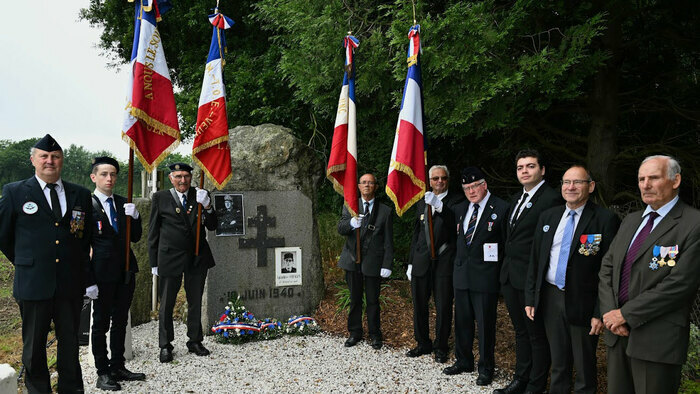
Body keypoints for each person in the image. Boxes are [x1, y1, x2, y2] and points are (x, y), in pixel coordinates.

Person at [599, 155, 700, 394]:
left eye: (653, 178)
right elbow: (607, 269)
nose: (645, 184)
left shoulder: (693, 224)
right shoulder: (631, 221)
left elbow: (680, 285)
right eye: (641, 179)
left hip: (657, 339)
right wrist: (609, 314)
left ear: (675, 181)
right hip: (618, 335)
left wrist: (626, 314)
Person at [0, 134, 92, 393]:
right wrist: (25, 261)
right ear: (33, 160)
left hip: (68, 284)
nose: (50, 161)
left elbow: (83, 238)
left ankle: (71, 389)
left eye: (55, 157)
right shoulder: (15, 192)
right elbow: (3, 235)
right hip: (33, 283)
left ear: (61, 161)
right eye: (44, 156)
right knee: (34, 347)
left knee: (70, 343)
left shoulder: (80, 194)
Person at [524, 165, 620, 394]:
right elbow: (536, 260)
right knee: (558, 363)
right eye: (566, 182)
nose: (571, 187)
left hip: (585, 303)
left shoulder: (605, 220)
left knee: (585, 366)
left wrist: (600, 311)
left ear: (591, 186)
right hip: (551, 298)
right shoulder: (549, 216)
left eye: (577, 182)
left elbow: (611, 270)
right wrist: (531, 297)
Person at [496, 148, 563, 394]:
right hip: (511, 277)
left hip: (533, 280)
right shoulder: (516, 198)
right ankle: (520, 379)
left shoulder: (551, 199)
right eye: (520, 167)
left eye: (530, 166)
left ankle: (536, 385)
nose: (524, 171)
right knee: (521, 332)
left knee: (536, 335)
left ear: (542, 170)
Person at [443, 167, 508, 388]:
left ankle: (486, 367)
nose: (470, 191)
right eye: (466, 188)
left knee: (485, 325)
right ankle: (463, 361)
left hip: (486, 278)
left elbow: (506, 245)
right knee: (462, 322)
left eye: (474, 186)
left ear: (484, 185)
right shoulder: (460, 208)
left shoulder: (501, 208)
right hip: (462, 275)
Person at [148, 163, 218, 363]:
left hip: (197, 256)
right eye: (178, 176)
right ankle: (165, 345)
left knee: (195, 300)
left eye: (186, 176)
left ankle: (195, 340)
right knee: (167, 303)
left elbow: (213, 226)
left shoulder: (200, 193)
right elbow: (153, 232)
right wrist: (154, 261)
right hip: (170, 257)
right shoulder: (160, 198)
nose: (183, 180)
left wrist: (208, 206)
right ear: (171, 178)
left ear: (191, 177)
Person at [88, 156, 146, 391]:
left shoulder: (124, 203)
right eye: (104, 174)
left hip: (125, 271)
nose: (109, 178)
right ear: (94, 177)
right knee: (100, 324)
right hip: (100, 274)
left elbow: (135, 237)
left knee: (121, 320)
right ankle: (102, 372)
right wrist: (87, 279)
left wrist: (137, 217)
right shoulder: (86, 205)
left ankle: (117, 365)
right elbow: (82, 245)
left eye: (113, 174)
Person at [405, 165, 464, 363]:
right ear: (429, 181)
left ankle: (441, 346)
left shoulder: (457, 201)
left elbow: (455, 223)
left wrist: (439, 206)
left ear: (448, 180)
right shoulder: (422, 201)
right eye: (436, 178)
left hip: (444, 262)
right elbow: (416, 234)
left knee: (444, 306)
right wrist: (411, 262)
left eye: (443, 178)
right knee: (419, 305)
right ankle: (423, 343)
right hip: (421, 261)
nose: (440, 182)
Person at [337, 173, 394, 350]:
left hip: (373, 263)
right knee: (355, 299)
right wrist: (351, 224)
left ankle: (375, 334)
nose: (367, 185)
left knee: (372, 301)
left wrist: (387, 264)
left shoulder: (385, 211)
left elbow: (388, 241)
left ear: (376, 187)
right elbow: (341, 228)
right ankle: (355, 332)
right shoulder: (350, 205)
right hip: (352, 261)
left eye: (371, 183)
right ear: (359, 186)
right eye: (364, 182)